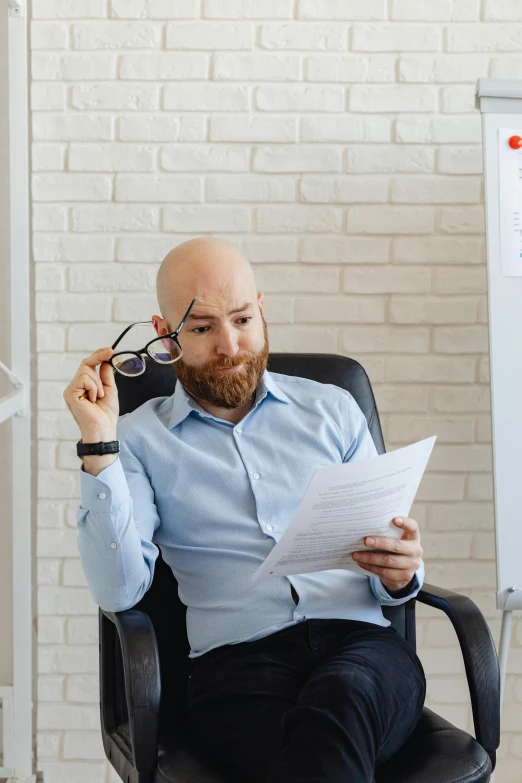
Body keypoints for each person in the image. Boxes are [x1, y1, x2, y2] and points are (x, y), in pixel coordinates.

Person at [63, 237, 426, 783]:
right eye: (203, 328)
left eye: (242, 319)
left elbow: (388, 555)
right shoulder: (137, 440)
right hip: (238, 672)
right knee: (322, 738)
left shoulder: (332, 409)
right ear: (165, 334)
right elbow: (119, 593)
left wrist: (402, 573)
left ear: (261, 308)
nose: (230, 346)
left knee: (340, 701)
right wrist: (99, 447)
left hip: (365, 653)